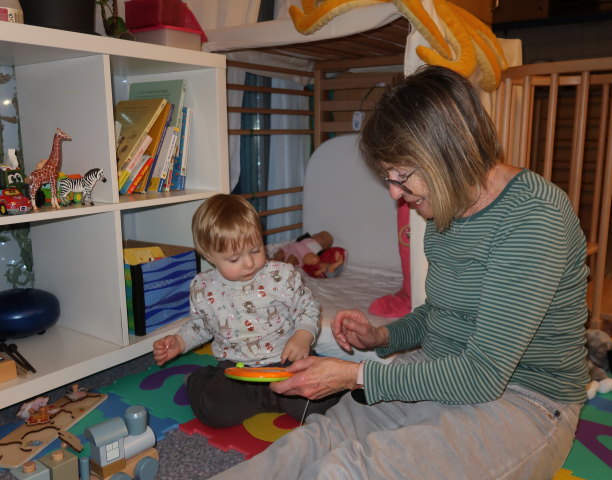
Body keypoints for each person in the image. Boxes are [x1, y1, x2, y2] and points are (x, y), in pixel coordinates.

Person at [212, 65, 590, 479]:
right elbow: (444, 312)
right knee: (314, 439)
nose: (394, 192)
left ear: (447, 154)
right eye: (388, 177)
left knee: (348, 471)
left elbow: (482, 375)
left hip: (525, 400)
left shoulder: (535, 218)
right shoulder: (444, 206)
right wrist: (384, 336)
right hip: (438, 369)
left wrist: (354, 376)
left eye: (401, 176)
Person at [152, 194, 342, 428]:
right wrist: (179, 342)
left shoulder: (280, 275)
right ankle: (198, 379)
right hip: (236, 371)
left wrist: (303, 335)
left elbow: (308, 307)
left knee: (320, 405)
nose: (249, 263)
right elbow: (199, 326)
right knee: (214, 410)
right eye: (234, 258)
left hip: (285, 364)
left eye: (255, 249)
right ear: (209, 255)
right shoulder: (203, 288)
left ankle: (279, 399)